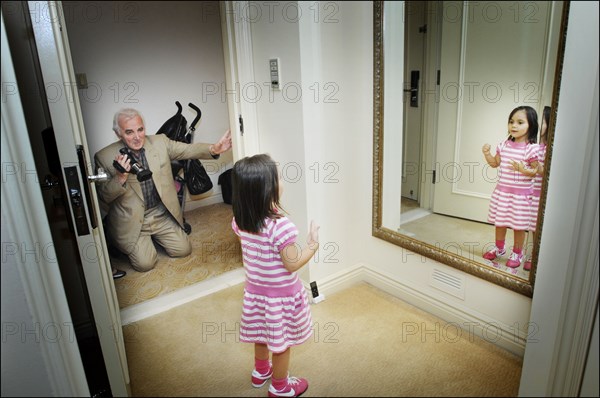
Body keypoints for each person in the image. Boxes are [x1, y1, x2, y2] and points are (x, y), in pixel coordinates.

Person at [95, 108, 232, 274]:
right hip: (134, 219)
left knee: (183, 250)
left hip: (160, 213)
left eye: (141, 129)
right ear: (119, 134)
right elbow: (103, 196)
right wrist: (120, 177)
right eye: (129, 132)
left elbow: (187, 150)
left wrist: (214, 149)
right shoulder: (104, 156)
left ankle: (156, 239)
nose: (137, 137)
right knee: (145, 264)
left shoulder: (160, 142)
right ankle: (121, 241)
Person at [230, 154, 319, 397]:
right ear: (268, 188)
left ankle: (260, 371)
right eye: (278, 176)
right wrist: (312, 245)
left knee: (261, 334)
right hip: (280, 298)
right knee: (282, 345)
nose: (282, 179)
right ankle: (280, 387)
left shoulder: (239, 220)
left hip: (256, 293)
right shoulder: (282, 226)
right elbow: (292, 265)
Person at [481, 106, 539, 272]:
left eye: (520, 122)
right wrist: (487, 154)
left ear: (531, 125)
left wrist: (523, 170)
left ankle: (517, 253)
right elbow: (494, 163)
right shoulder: (504, 145)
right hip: (503, 193)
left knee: (518, 225)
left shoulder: (531, 148)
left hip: (520, 197)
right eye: (511, 121)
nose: (514, 125)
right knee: (500, 223)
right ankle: (499, 248)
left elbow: (535, 172)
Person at [524, 106, 551, 271]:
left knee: (540, 226)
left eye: (543, 120)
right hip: (531, 193)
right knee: (532, 225)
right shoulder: (536, 147)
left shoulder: (549, 149)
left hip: (542, 193)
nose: (539, 124)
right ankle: (532, 253)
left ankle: (538, 255)